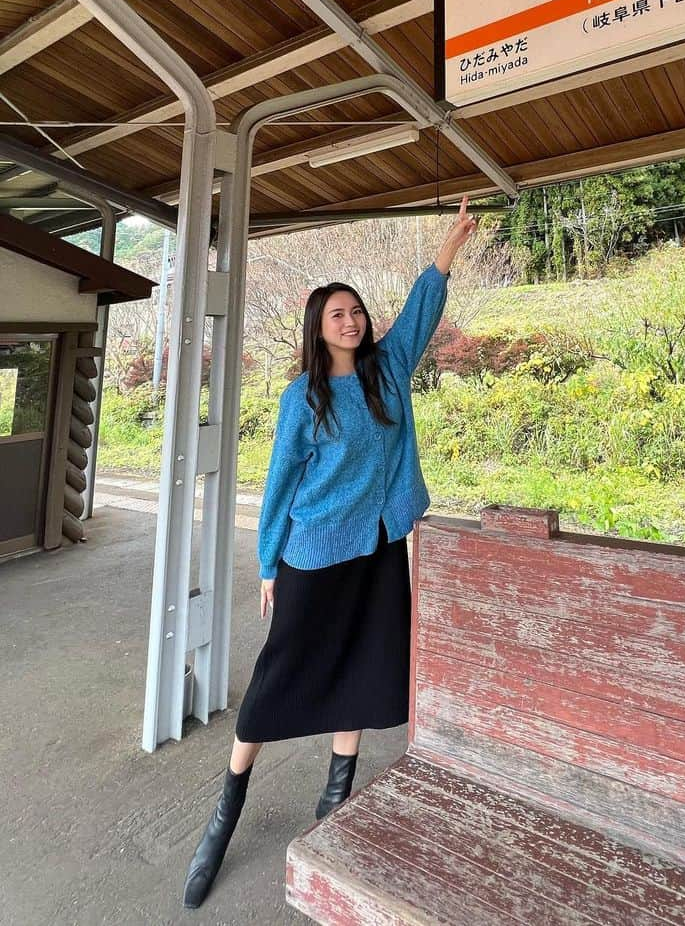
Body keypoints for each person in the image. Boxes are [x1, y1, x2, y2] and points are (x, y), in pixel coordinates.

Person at [183, 197, 477, 909]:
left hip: (378, 550)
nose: (353, 320)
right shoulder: (303, 397)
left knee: (360, 669)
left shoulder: (387, 371)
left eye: (356, 311)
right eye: (338, 313)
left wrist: (450, 244)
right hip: (313, 554)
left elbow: (420, 312)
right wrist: (267, 564)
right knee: (278, 676)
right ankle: (227, 813)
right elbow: (280, 481)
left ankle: (336, 794)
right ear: (318, 326)